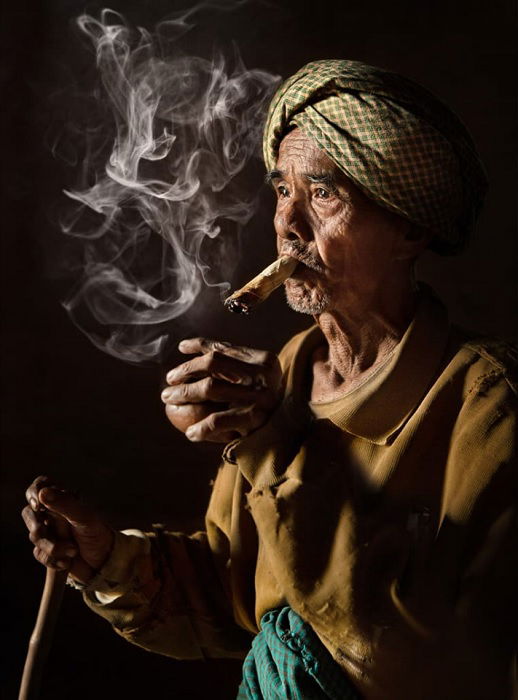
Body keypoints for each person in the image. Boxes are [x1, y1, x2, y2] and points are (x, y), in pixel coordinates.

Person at [22, 60, 516, 699]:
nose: (288, 224)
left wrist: (277, 444)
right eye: (282, 190)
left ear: (410, 229)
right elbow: (237, 596)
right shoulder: (288, 371)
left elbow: (434, 663)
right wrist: (109, 561)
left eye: (325, 192)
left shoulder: (490, 403)